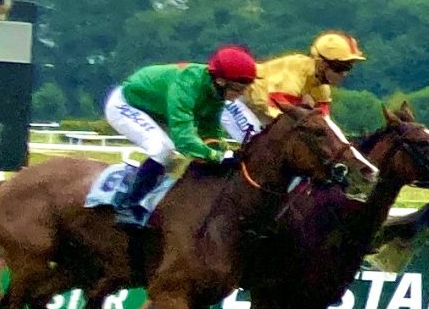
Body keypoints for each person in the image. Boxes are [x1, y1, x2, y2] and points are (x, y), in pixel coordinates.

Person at [102, 47, 260, 227]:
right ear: (221, 81)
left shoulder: (215, 91)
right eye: (238, 89)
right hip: (126, 105)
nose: (240, 95)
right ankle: (126, 206)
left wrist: (223, 151)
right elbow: (184, 141)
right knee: (163, 149)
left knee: (176, 157)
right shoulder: (186, 86)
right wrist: (218, 157)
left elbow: (209, 130)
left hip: (157, 110)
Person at [221, 31, 366, 144]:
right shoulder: (294, 77)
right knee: (258, 144)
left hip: (261, 110)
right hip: (237, 98)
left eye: (349, 67)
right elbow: (281, 119)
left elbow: (326, 124)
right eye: (341, 67)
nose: (344, 74)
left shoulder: (322, 88)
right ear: (322, 64)